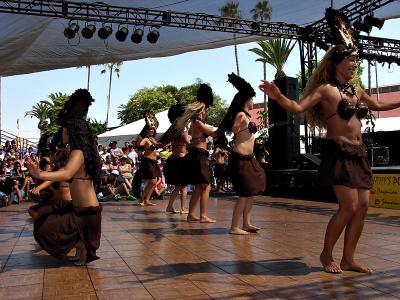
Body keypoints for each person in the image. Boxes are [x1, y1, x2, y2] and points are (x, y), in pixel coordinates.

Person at [259, 44, 400, 273]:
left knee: (362, 207)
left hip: (359, 152)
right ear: (336, 62)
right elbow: (296, 107)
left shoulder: (356, 89)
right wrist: (277, 95)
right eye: (351, 60)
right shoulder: (325, 90)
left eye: (356, 61)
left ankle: (349, 259)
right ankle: (326, 254)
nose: (355, 64)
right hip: (338, 151)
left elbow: (379, 105)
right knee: (349, 207)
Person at [26, 89, 102, 266]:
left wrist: (39, 174)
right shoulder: (83, 151)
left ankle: (82, 246)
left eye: (65, 131)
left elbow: (67, 173)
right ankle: (81, 248)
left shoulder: (78, 151)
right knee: (50, 227)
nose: (63, 134)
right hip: (83, 208)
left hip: (86, 211)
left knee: (46, 229)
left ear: (74, 132)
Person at [218, 73, 266, 235]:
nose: (253, 102)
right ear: (247, 100)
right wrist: (247, 127)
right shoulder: (241, 115)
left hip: (249, 158)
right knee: (245, 193)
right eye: (252, 99)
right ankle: (234, 227)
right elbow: (233, 130)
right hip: (240, 158)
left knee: (250, 192)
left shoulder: (247, 115)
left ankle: (247, 223)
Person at [182, 84, 219, 223]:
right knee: (206, 185)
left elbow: (192, 133)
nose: (205, 112)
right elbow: (212, 133)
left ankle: (191, 214)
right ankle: (203, 216)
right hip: (199, 154)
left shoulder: (195, 123)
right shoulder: (197, 122)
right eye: (203, 110)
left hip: (197, 153)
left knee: (199, 186)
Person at [160, 104, 190, 214]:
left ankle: (171, 207)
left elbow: (162, 144)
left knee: (179, 186)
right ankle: (182, 208)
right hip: (180, 160)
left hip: (173, 159)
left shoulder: (173, 131)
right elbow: (189, 144)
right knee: (183, 186)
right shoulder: (182, 130)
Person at [135, 124, 161, 206]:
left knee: (155, 182)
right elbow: (140, 145)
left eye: (153, 130)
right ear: (147, 130)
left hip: (154, 162)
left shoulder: (153, 139)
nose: (152, 131)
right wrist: (140, 139)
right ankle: (141, 199)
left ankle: (147, 200)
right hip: (148, 162)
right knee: (152, 181)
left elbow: (159, 145)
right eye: (150, 129)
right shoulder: (146, 139)